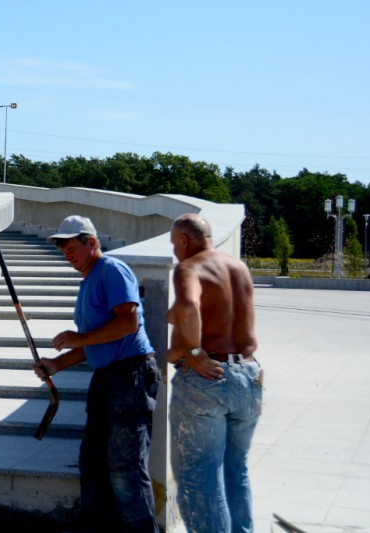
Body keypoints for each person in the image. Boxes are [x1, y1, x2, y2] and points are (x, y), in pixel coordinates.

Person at [34, 215, 160, 533]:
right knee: (93, 459)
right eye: (63, 250)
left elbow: (127, 324)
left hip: (130, 376)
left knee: (125, 466)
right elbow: (99, 340)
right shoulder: (89, 281)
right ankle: (95, 527)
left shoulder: (112, 271)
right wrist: (56, 365)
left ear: (91, 242)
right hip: (108, 378)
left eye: (71, 247)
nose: (67, 254)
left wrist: (77, 339)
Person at [166, 213, 263, 533]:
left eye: (173, 245)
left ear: (184, 239)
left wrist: (192, 351)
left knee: (200, 476)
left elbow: (189, 307)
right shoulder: (238, 267)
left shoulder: (189, 268)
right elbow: (210, 308)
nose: (174, 253)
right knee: (236, 470)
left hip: (209, 382)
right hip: (248, 375)